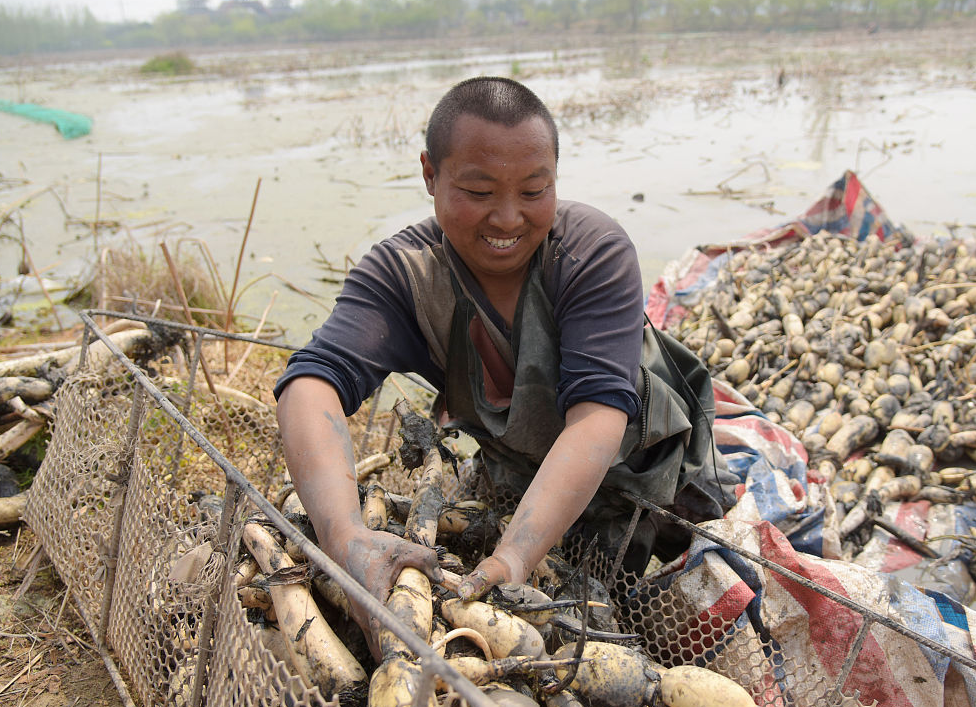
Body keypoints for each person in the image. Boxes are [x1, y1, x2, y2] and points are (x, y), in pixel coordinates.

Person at [275, 76, 734, 651]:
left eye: (534, 190)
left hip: (647, 486)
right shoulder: (404, 274)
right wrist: (344, 536)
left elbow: (597, 416)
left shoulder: (591, 251)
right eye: (479, 190)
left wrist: (514, 558)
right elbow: (312, 381)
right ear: (429, 175)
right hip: (521, 479)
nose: (508, 218)